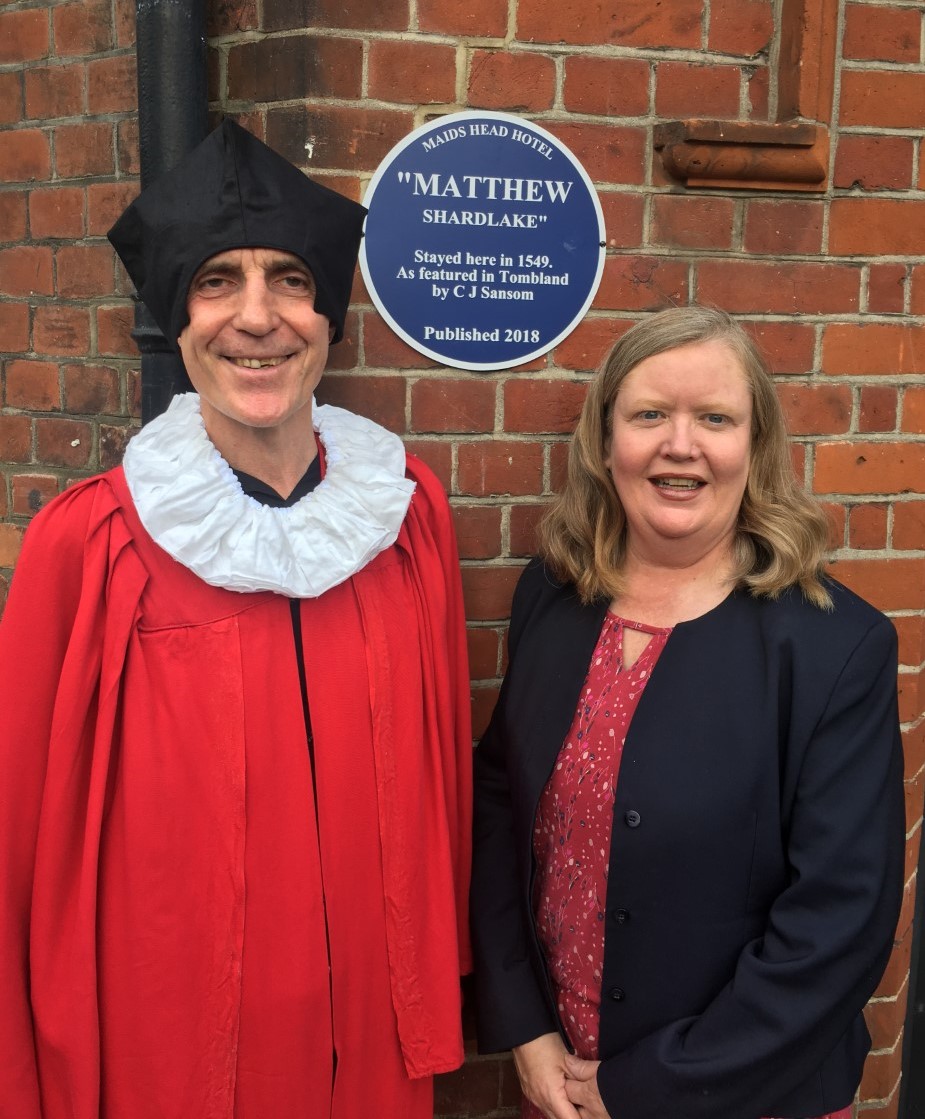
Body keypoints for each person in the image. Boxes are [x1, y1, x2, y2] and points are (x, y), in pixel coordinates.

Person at [0, 118, 472, 1118]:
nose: (257, 317)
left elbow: (444, 786)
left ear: (328, 312)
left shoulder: (407, 519)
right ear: (177, 311)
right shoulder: (90, 547)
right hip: (171, 1059)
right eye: (218, 280)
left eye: (290, 281)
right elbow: (19, 844)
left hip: (371, 1057)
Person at [470, 305, 904, 1119]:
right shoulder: (552, 598)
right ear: (606, 444)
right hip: (560, 1083)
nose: (680, 444)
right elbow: (497, 799)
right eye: (648, 415)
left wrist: (642, 1088)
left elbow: (838, 919)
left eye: (714, 417)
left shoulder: (832, 647)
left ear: (754, 446)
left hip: (740, 1096)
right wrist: (523, 1026)